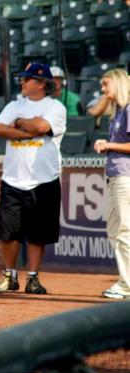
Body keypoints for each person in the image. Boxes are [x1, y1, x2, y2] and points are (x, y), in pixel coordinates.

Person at [0, 62, 66, 295]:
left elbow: (43, 126)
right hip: (13, 178)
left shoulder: (55, 107)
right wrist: (28, 130)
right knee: (8, 231)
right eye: (22, 78)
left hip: (43, 179)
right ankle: (10, 275)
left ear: (42, 83)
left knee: (37, 233)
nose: (22, 81)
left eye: (28, 78)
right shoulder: (15, 104)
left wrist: (20, 122)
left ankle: (33, 277)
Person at [93, 68, 130, 299]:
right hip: (116, 174)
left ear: (117, 84)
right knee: (116, 230)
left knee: (124, 230)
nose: (103, 90)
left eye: (106, 85)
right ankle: (125, 282)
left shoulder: (128, 108)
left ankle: (126, 285)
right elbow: (93, 111)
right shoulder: (118, 109)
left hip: (125, 176)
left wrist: (108, 145)